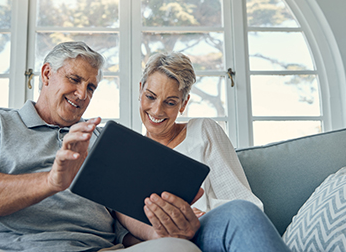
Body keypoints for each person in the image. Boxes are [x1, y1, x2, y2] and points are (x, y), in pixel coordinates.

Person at [0, 42, 201, 252]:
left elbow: (123, 213)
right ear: (46, 74)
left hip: (95, 249)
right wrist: (52, 181)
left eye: (91, 87)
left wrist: (167, 229)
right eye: (74, 79)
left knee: (180, 249)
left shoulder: (100, 137)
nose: (82, 94)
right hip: (5, 247)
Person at [115, 52, 291, 252]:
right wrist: (161, 237)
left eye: (170, 102)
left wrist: (198, 216)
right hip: (161, 244)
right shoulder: (128, 155)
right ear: (140, 91)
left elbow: (245, 205)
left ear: (184, 104)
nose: (156, 110)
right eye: (150, 97)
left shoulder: (202, 131)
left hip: (206, 231)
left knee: (242, 212)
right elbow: (120, 234)